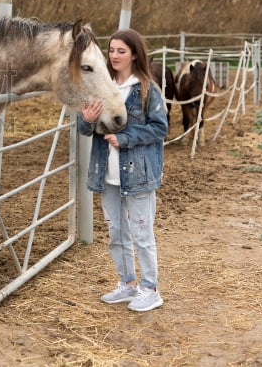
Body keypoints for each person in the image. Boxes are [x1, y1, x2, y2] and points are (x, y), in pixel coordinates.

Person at [78, 28, 168, 312]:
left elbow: (160, 128)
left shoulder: (146, 89)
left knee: (142, 234)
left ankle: (150, 288)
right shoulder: (99, 87)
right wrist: (88, 121)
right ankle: (128, 284)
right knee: (116, 232)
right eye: (111, 50)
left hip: (138, 174)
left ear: (134, 55)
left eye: (121, 51)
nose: (114, 56)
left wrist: (126, 138)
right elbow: (84, 130)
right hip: (107, 173)